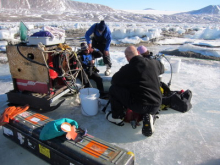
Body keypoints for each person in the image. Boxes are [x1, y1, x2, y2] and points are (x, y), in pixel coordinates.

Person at [106, 45, 164, 137]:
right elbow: (162, 68)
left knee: (113, 89)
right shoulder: (153, 63)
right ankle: (150, 115)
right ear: (138, 53)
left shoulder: (127, 69)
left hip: (140, 106)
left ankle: (117, 117)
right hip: (157, 104)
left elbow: (114, 81)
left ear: (127, 57)